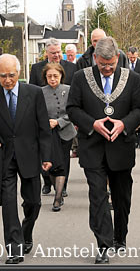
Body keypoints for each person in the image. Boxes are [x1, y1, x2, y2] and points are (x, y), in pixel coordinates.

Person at [66, 37, 140, 264]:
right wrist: (92, 123)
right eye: (103, 64)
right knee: (98, 196)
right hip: (92, 148)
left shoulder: (133, 79)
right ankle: (103, 244)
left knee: (122, 198)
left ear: (118, 58)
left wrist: (124, 124)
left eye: (111, 63)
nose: (108, 68)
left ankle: (120, 237)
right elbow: (72, 108)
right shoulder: (81, 78)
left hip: (121, 147)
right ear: (95, 59)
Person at [0, 54, 52, 264]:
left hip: (29, 154)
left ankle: (26, 232)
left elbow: (44, 128)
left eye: (11, 75)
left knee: (33, 203)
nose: (8, 80)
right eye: (3, 76)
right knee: (9, 203)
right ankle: (14, 248)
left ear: (19, 73)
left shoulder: (34, 93)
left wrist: (46, 156)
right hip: (4, 157)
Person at [41, 63, 77, 211]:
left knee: (63, 162)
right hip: (47, 133)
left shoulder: (69, 90)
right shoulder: (40, 92)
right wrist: (46, 122)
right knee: (49, 164)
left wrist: (59, 121)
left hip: (65, 132)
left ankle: (58, 196)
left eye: (55, 76)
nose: (53, 79)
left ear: (61, 76)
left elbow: (73, 110)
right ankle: (57, 188)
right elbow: (36, 111)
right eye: (49, 76)